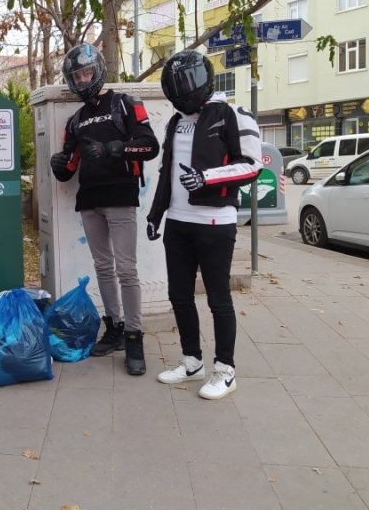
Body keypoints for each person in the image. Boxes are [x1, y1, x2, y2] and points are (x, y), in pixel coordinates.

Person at [147, 50, 261, 400]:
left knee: (218, 298)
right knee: (179, 295)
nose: (182, 92)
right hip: (178, 224)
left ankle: (225, 371)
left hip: (215, 222)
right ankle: (191, 361)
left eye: (187, 84)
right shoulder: (176, 121)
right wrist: (156, 213)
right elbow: (167, 171)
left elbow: (252, 166)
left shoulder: (232, 114)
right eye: (175, 87)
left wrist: (207, 178)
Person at [50, 44, 159, 375]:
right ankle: (114, 327)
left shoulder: (125, 104)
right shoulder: (76, 119)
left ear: (97, 70)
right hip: (89, 200)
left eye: (86, 72)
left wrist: (113, 149)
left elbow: (150, 146)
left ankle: (134, 336)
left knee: (127, 269)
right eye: (76, 76)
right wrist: (58, 165)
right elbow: (69, 168)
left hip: (121, 195)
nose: (82, 80)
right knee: (102, 267)